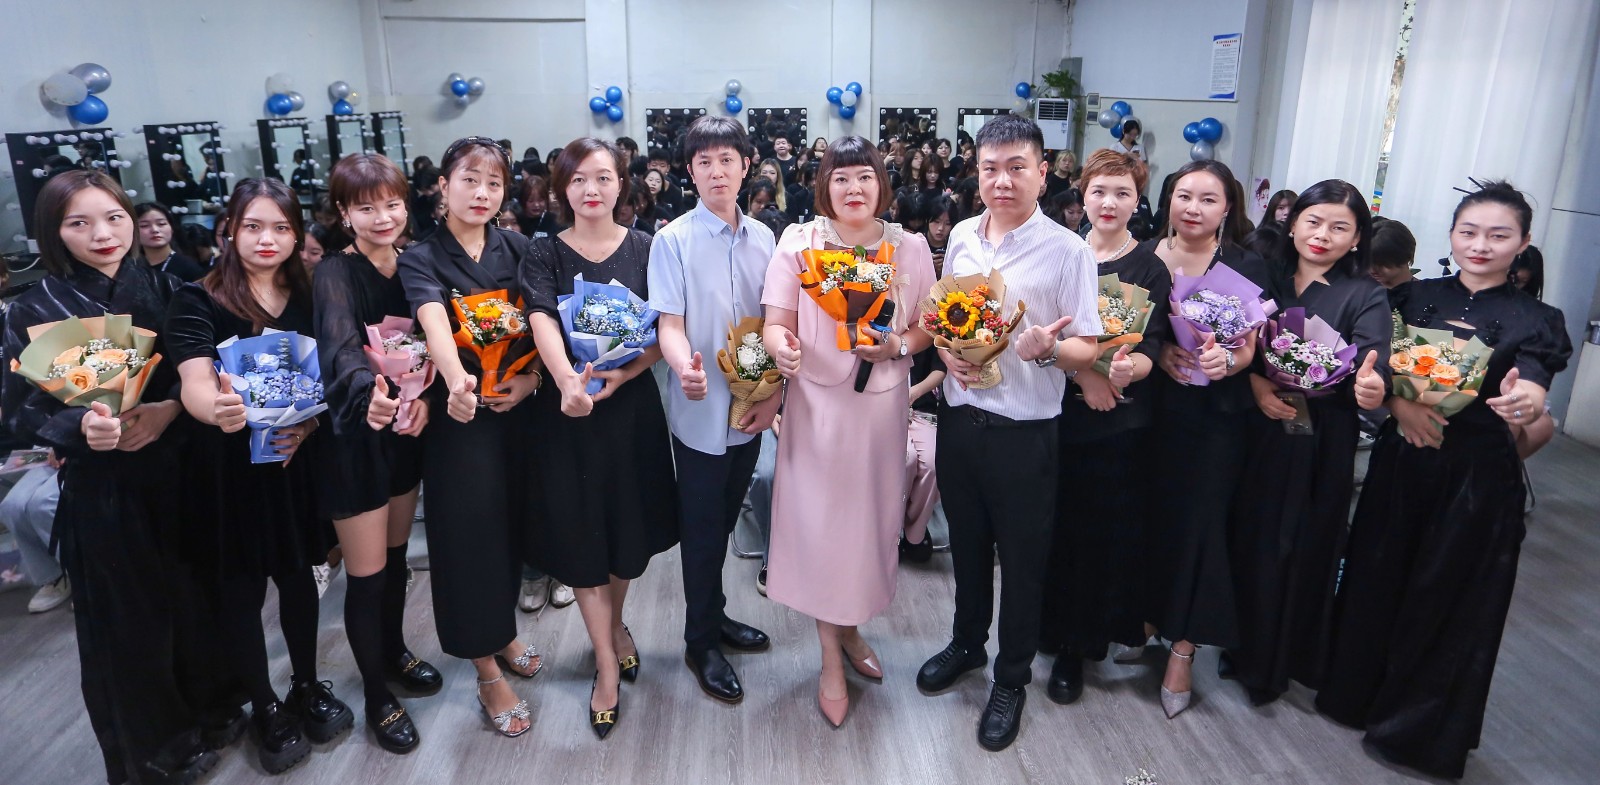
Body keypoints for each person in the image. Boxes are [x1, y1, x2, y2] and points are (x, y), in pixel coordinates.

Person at [1317, 181, 1572, 779]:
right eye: (1469, 232)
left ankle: (1418, 733)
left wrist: (1527, 403)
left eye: (1498, 235)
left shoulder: (1537, 319)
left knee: (1453, 599)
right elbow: (1374, 368)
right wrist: (1394, 404)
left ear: (1523, 243)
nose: (1481, 245)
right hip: (1402, 461)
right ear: (1452, 235)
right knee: (1375, 576)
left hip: (1476, 477)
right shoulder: (1410, 297)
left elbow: (1533, 384)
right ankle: (1353, 696)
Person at [2, 170, 220, 785]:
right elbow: (17, 412)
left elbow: (201, 370)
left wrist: (170, 407)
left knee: (199, 596)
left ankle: (216, 708)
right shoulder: (35, 308)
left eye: (114, 217)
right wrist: (81, 429)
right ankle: (156, 748)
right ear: (53, 232)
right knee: (128, 623)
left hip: (183, 466)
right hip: (106, 488)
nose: (103, 234)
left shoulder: (172, 285)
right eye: (80, 223)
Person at [914, 115, 1102, 751]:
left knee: (1022, 562)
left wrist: (1049, 351)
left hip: (1025, 434)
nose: (1002, 181)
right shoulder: (963, 236)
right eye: (990, 168)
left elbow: (1087, 346)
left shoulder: (1069, 251)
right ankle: (967, 642)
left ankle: (1011, 676)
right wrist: (947, 354)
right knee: (966, 547)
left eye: (1017, 167)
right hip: (960, 422)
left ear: (1042, 174)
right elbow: (945, 318)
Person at [166, 177, 351, 775]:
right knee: (241, 592)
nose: (266, 239)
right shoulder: (198, 299)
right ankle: (264, 703)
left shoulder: (311, 294)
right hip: (228, 471)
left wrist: (312, 424)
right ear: (229, 231)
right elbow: (195, 378)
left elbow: (332, 373)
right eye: (252, 226)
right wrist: (216, 409)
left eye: (280, 227)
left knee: (299, 579)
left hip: (293, 463)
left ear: (297, 235)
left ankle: (305, 683)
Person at [759, 136, 937, 728]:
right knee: (820, 528)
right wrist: (780, 349)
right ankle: (831, 657)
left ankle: (852, 629)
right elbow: (776, 323)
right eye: (841, 178)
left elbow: (926, 328)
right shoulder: (798, 243)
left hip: (878, 408)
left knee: (865, 527)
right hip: (815, 405)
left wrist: (897, 346)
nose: (853, 188)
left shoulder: (908, 248)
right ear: (824, 187)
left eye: (864, 176)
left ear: (881, 184)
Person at [521, 138, 679, 740]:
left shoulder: (648, 248)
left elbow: (664, 327)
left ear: (622, 184)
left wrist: (627, 373)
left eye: (604, 177)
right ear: (563, 189)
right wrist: (568, 381)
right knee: (584, 531)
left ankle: (614, 624)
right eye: (579, 179)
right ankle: (606, 663)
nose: (592, 189)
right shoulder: (544, 251)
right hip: (569, 416)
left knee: (625, 530)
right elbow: (540, 316)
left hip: (630, 410)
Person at [397, 137, 545, 739]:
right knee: (468, 540)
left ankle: (502, 632)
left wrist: (533, 379)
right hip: (460, 422)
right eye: (469, 180)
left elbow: (541, 318)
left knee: (511, 528)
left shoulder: (518, 247)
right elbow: (433, 320)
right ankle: (485, 669)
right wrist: (457, 382)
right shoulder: (421, 257)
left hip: (517, 414)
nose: (482, 193)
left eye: (493, 183)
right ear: (444, 185)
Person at [1227, 180, 1390, 706]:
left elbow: (1371, 360)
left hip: (1321, 437)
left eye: (1340, 227)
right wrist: (1256, 383)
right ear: (1293, 222)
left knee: (1302, 546)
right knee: (1250, 535)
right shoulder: (1264, 275)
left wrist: (1370, 384)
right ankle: (1240, 644)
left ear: (1357, 238)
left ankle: (1280, 660)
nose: (1323, 235)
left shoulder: (1365, 293)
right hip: (1257, 431)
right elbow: (1233, 343)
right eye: (1314, 221)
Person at [646, 116, 780, 707]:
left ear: (746, 166)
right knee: (701, 532)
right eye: (704, 162)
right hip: (701, 412)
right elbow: (669, 325)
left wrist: (774, 394)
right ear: (690, 171)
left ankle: (715, 616)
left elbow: (776, 322)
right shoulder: (672, 240)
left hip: (750, 407)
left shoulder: (766, 239)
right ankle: (699, 642)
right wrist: (684, 368)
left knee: (725, 521)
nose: (716, 171)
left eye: (727, 160)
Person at [312, 153, 440, 754]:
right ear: (344, 213)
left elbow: (436, 342)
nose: (383, 216)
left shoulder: (416, 262)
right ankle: (375, 695)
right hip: (357, 437)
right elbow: (339, 346)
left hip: (405, 431)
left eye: (392, 203)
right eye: (366, 207)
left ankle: (394, 652)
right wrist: (371, 396)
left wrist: (426, 398)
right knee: (365, 576)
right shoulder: (335, 273)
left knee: (394, 561)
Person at [1037, 150, 1172, 706]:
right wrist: (1084, 373)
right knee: (1050, 530)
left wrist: (1118, 372)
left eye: (1122, 193)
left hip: (1117, 420)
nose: (1109, 203)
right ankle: (1044, 630)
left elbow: (1151, 350)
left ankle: (1078, 647)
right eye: (1099, 191)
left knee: (1096, 535)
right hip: (1052, 411)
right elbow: (1039, 333)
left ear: (1138, 201)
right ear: (1082, 195)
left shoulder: (1149, 267)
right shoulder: (1060, 251)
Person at [1143, 159, 1270, 719]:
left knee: (1201, 527)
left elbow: (1253, 345)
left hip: (1215, 417)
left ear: (1227, 208)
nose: (1193, 208)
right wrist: (1160, 353)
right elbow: (1133, 330)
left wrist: (1229, 361)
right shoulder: (1146, 254)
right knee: (1152, 518)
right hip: (1152, 411)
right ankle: (1149, 619)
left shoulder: (1245, 264)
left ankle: (1184, 648)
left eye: (1208, 199)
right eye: (1184, 195)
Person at [1, 453, 64, 613]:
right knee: (10, 507)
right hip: (53, 450)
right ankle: (53, 576)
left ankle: (85, 577)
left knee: (42, 504)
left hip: (92, 451)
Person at [134, 202, 206, 282]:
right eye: (144, 225)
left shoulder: (189, 268)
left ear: (172, 228)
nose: (155, 230)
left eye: (161, 224)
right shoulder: (131, 266)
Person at [1366, 215, 1418, 308]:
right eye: (1367, 262)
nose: (1372, 270)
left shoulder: (1425, 295)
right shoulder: (1362, 292)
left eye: (1381, 263)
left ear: (1403, 256)